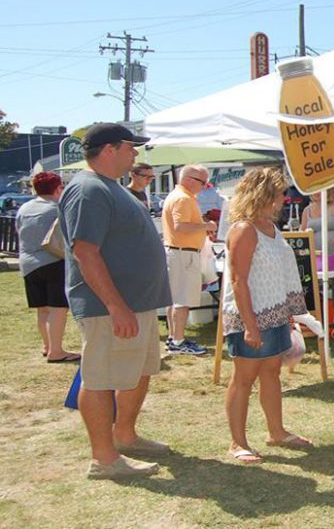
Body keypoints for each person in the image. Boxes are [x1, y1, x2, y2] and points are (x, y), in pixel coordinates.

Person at [59, 122, 172, 479]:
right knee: (100, 378)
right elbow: (86, 253)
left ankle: (124, 435)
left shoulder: (107, 187)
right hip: (110, 307)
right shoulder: (89, 189)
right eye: (130, 147)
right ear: (110, 149)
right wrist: (115, 305)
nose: (135, 153)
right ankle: (104, 458)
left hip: (135, 304)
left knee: (139, 371)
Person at [222, 167, 313, 463]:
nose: (283, 198)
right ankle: (237, 442)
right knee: (244, 378)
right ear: (264, 194)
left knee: (271, 374)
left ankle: (277, 431)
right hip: (250, 316)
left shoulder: (270, 228)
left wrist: (290, 315)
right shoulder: (244, 229)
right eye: (279, 193)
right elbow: (238, 280)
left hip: (274, 314)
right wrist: (250, 326)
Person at [16, 172, 77, 362]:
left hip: (28, 262)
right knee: (58, 308)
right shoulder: (57, 208)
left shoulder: (24, 208)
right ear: (57, 188)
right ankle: (56, 351)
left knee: (42, 309)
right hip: (53, 261)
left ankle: (48, 345)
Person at [161, 164, 218, 355]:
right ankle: (178, 341)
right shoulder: (183, 199)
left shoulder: (179, 196)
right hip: (183, 253)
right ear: (189, 180)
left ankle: (173, 337)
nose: (204, 187)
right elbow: (181, 226)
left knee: (175, 298)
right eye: (203, 183)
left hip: (178, 252)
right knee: (182, 300)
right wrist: (206, 226)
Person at [300, 186, 334, 273]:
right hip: (317, 258)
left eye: (319, 189)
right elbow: (302, 232)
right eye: (314, 189)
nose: (316, 192)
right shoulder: (307, 211)